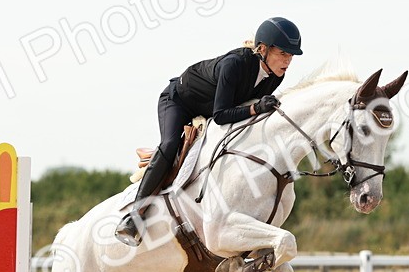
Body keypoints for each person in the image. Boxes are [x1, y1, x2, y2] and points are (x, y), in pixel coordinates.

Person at [114, 17, 303, 246]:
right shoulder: (234, 65)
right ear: (262, 49)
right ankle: (134, 217)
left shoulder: (276, 75)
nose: (288, 61)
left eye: (291, 55)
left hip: (208, 109)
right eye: (283, 53)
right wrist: (255, 108)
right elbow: (222, 114)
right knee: (170, 144)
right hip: (178, 101)